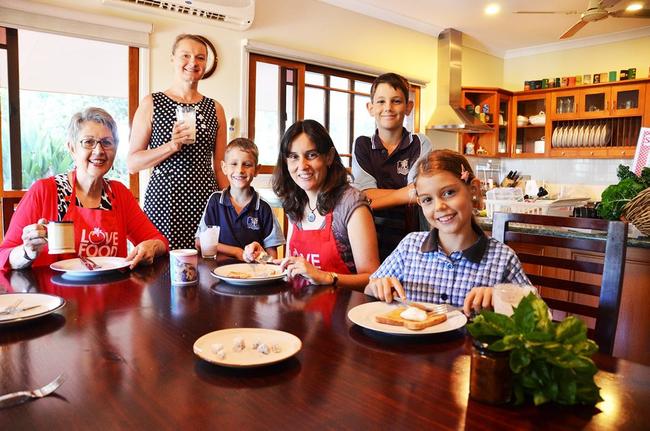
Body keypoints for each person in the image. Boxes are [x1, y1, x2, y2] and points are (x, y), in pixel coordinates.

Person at [364, 149, 531, 315]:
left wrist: (500, 298)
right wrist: (377, 287)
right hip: (413, 341)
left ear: (473, 189)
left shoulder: (503, 258)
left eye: (449, 193)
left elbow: (536, 315)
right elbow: (370, 289)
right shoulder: (409, 247)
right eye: (427, 199)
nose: (439, 207)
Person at [0, 107, 168, 271]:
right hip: (57, 296)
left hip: (112, 294)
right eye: (88, 142)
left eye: (107, 143)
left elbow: (159, 241)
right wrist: (26, 252)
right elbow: (4, 256)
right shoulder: (44, 191)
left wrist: (151, 246)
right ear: (72, 148)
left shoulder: (118, 194)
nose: (99, 151)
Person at [128, 33, 227, 250]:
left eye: (200, 57)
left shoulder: (215, 108)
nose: (193, 62)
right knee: (163, 266)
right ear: (173, 59)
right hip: (165, 199)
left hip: (205, 198)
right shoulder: (152, 103)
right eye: (186, 55)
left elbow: (221, 167)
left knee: (207, 262)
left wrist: (232, 205)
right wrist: (171, 146)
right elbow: (132, 163)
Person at [265, 120, 380, 290]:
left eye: (311, 155)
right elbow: (293, 266)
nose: (302, 166)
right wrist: (263, 259)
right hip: (301, 308)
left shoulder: (351, 204)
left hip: (343, 310)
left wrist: (326, 277)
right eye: (293, 157)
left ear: (329, 157)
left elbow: (372, 279)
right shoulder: (295, 201)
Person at [351, 72, 432, 259]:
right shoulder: (362, 145)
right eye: (380, 101)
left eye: (396, 101)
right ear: (370, 108)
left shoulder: (421, 143)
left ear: (408, 107)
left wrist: (371, 201)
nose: (388, 108)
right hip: (369, 239)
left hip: (413, 241)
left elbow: (419, 191)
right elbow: (366, 193)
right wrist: (407, 193)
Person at [196, 138, 284, 261]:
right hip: (216, 274)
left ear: (257, 170)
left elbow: (271, 260)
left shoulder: (264, 208)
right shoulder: (215, 201)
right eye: (234, 164)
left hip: (252, 277)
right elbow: (200, 242)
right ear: (224, 167)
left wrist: (257, 257)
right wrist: (237, 252)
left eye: (247, 165)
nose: (240, 170)